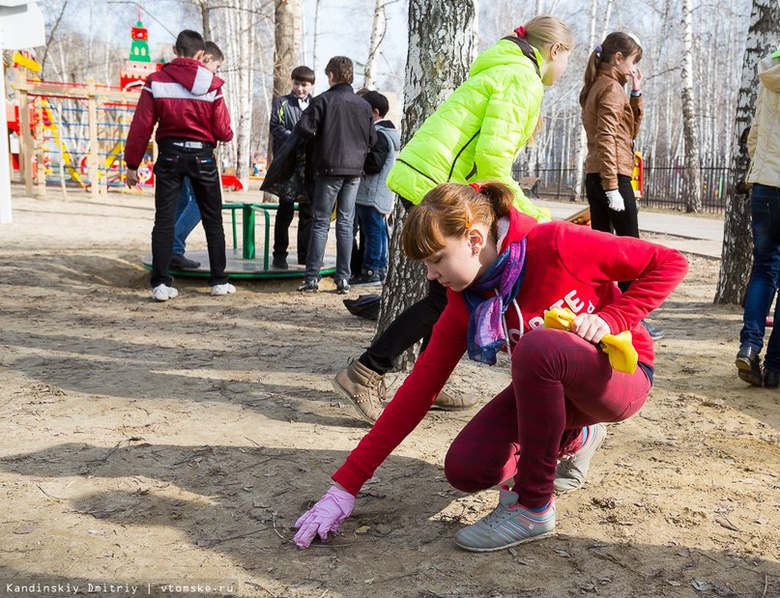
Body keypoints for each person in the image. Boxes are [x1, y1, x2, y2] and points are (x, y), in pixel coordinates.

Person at [294, 180, 688, 551]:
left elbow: (669, 263)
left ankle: (533, 507)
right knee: (467, 469)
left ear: (475, 239)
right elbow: (416, 393)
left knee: (539, 348)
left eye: (436, 260)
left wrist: (613, 317)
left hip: (618, 379)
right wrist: (345, 487)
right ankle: (577, 438)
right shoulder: (464, 302)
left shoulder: (554, 244)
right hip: (555, 390)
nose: (431, 275)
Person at [332, 16, 572, 422]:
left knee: (449, 298)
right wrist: (534, 214)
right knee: (446, 297)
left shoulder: (504, 67)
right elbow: (492, 162)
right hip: (433, 183)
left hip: (425, 176)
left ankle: (428, 380)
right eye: (567, 59)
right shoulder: (522, 78)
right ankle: (365, 373)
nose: (565, 70)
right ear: (554, 51)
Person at [125, 30, 235, 301]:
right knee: (212, 219)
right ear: (201, 55)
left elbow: (142, 125)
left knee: (163, 219)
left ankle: (161, 284)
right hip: (203, 157)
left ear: (175, 50)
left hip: (170, 156)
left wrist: (132, 163)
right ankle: (219, 281)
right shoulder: (212, 83)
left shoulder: (156, 81)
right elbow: (223, 131)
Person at [580, 32, 663, 340]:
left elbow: (627, 133)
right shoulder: (611, 89)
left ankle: (603, 314)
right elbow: (607, 138)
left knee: (602, 252)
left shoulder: (597, 86)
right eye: (632, 61)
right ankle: (634, 322)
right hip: (612, 175)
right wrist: (613, 185)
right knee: (631, 253)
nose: (633, 68)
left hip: (597, 175)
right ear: (618, 59)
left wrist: (637, 93)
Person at [295, 56, 376, 294]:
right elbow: (373, 139)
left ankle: (312, 278)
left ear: (331, 76)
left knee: (320, 222)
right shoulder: (363, 105)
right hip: (354, 170)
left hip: (329, 167)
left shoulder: (323, 101)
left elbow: (304, 129)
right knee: (346, 222)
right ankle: (343, 278)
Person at [735, 49, 780, 388]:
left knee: (764, 268)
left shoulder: (770, 71)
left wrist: (762, 168)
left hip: (766, 185)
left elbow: (755, 134)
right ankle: (776, 366)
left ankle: (750, 346)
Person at [170, 41, 225, 270]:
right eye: (217, 66)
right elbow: (220, 124)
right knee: (203, 204)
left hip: (173, 151)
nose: (217, 71)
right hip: (198, 152)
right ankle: (172, 245)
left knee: (182, 200)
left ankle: (170, 249)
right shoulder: (207, 85)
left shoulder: (170, 79)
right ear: (205, 58)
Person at [350, 91, 400, 286]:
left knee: (374, 232)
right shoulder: (388, 134)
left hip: (372, 193)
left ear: (375, 112)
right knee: (377, 231)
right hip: (378, 192)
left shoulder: (380, 135)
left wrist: (358, 155)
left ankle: (371, 269)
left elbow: (374, 164)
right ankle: (377, 268)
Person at [269, 66, 316, 271]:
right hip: (287, 165)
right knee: (285, 212)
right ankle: (280, 254)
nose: (299, 88)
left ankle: (305, 255)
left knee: (308, 212)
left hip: (309, 167)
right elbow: (276, 127)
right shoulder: (282, 102)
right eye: (296, 84)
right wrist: (294, 137)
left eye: (304, 85)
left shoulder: (316, 104)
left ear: (311, 85)